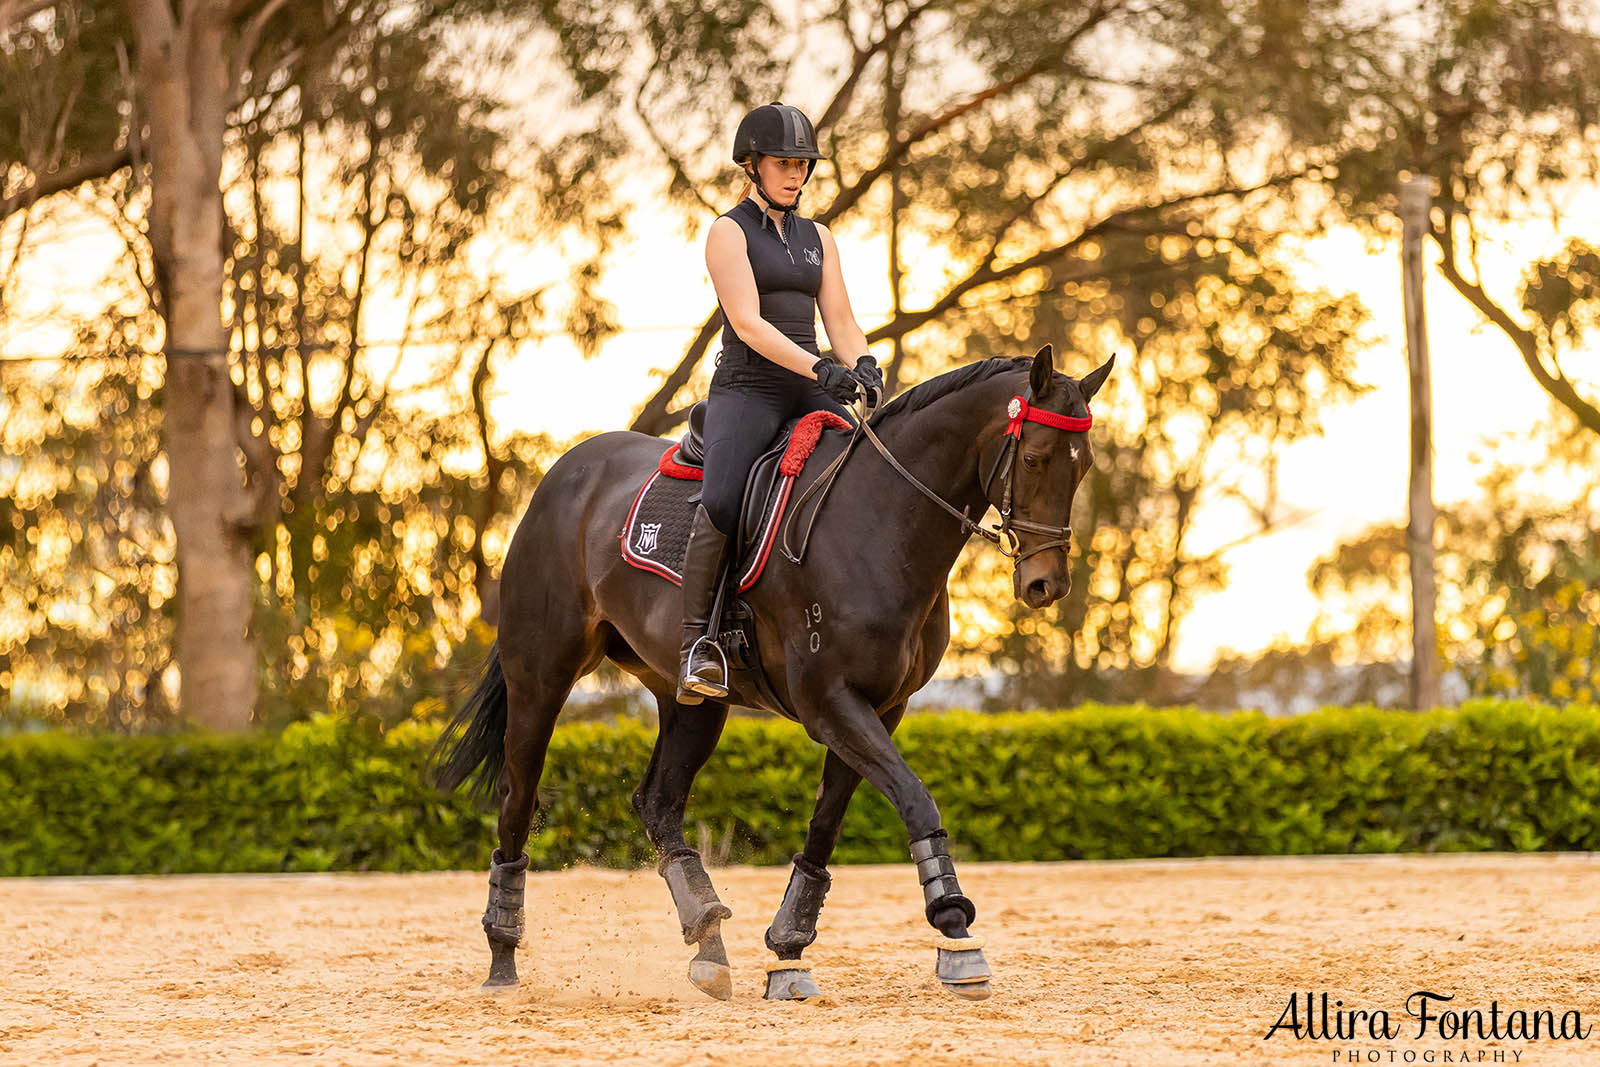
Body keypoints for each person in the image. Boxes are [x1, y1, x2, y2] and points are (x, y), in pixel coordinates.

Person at [676, 101, 885, 704]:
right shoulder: (727, 231)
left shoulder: (819, 237)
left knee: (866, 470)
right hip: (750, 388)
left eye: (802, 164)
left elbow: (839, 317)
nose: (795, 174)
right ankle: (698, 642)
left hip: (810, 381)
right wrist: (822, 366)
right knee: (721, 494)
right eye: (783, 163)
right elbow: (748, 324)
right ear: (753, 165)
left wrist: (862, 363)